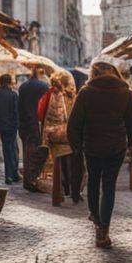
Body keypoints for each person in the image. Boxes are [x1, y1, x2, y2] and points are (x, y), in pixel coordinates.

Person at [67, 61, 132, 248]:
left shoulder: (86, 92)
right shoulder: (126, 92)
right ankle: (104, 228)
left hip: (92, 145)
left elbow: (74, 123)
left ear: (94, 74)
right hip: (116, 146)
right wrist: (130, 143)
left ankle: (96, 217)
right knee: (109, 186)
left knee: (93, 180)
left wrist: (76, 145)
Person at [39, 71, 80, 202]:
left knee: (58, 166)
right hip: (71, 134)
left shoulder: (49, 94)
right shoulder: (72, 95)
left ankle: (58, 193)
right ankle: (73, 192)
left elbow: (40, 113)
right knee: (73, 163)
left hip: (53, 135)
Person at [17, 68, 51, 193]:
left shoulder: (23, 87)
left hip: (25, 123)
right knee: (38, 152)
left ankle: (28, 180)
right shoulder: (44, 86)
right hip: (38, 124)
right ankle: (34, 179)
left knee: (27, 151)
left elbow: (19, 107)